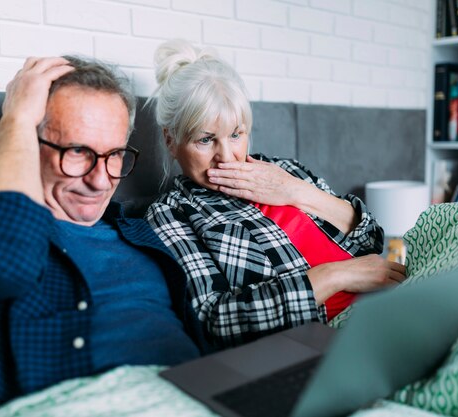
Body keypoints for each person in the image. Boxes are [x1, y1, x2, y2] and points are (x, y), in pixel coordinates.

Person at [0, 56, 208, 417]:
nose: (101, 181)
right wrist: (18, 118)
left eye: (114, 154)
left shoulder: (142, 234)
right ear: (28, 144)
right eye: (77, 151)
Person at [146, 39, 407, 349]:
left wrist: (297, 191)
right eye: (205, 140)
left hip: (388, 305)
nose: (227, 157)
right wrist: (338, 275)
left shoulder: (287, 170)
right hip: (323, 340)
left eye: (235, 134)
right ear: (171, 140)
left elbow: (371, 239)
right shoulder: (172, 213)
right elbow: (214, 319)